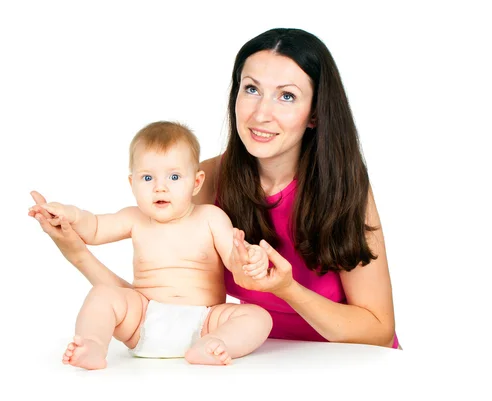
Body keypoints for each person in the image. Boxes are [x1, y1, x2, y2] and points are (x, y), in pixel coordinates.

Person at [30, 28, 401, 349]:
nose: (260, 114)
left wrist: (286, 289)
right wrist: (77, 253)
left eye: (286, 96)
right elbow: (152, 307)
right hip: (251, 362)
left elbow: (379, 331)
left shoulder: (345, 187)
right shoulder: (199, 184)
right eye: (251, 89)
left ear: (315, 113)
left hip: (351, 366)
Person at [29, 121, 273, 370]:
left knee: (258, 317)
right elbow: (94, 228)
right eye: (147, 177)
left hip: (205, 321)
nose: (160, 187)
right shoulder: (134, 218)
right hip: (143, 320)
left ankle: (215, 344)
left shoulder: (210, 217)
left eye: (174, 176)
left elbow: (234, 259)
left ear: (197, 182)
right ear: (132, 183)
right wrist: (66, 213)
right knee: (102, 295)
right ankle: (92, 344)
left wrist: (250, 257)